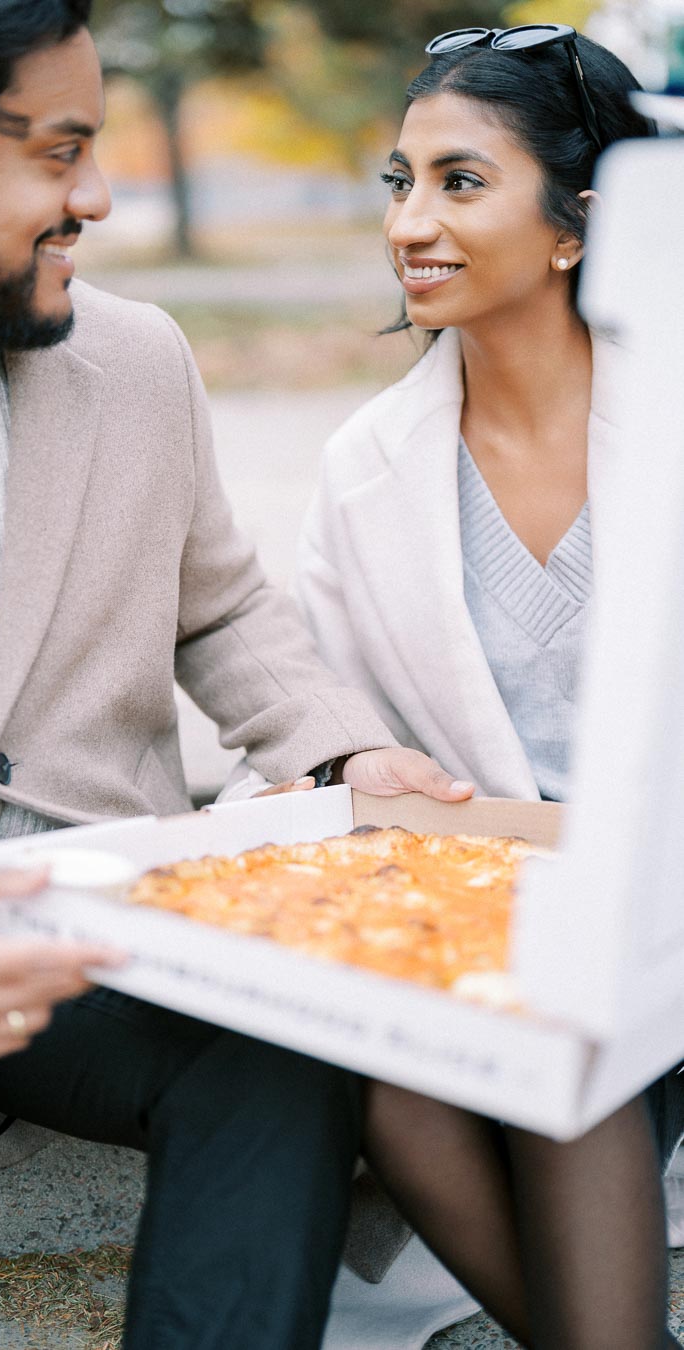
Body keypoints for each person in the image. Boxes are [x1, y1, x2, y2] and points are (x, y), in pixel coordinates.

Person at [0, 1, 479, 1343]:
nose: (96, 198)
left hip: (89, 918)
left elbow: (219, 609)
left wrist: (340, 752)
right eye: (56, 151)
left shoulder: (137, 361)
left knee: (282, 1042)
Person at [295, 24, 684, 1350]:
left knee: (559, 1018)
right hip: (502, 930)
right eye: (399, 182)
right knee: (412, 1076)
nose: (411, 221)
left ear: (577, 223)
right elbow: (342, 736)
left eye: (461, 181)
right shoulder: (365, 467)